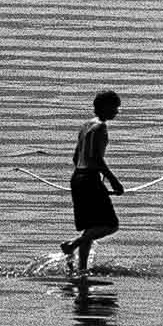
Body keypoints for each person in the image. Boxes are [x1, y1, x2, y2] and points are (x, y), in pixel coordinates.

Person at [60, 90, 125, 275]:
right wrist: (113, 181)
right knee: (111, 225)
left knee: (90, 228)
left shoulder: (85, 126)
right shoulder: (100, 127)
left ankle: (81, 270)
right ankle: (73, 244)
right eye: (115, 107)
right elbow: (96, 158)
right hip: (89, 179)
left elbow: (75, 157)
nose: (117, 111)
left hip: (78, 178)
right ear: (104, 106)